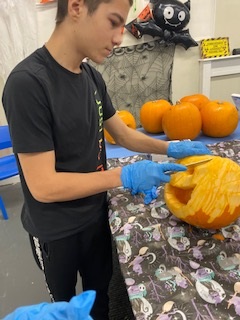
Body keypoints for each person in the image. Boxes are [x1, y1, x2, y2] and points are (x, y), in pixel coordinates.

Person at [2, 0, 211, 319]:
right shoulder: (28, 84)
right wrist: (123, 177)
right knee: (64, 306)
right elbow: (44, 186)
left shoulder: (90, 77)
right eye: (113, 22)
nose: (118, 37)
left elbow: (124, 135)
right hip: (56, 231)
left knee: (101, 298)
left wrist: (171, 147)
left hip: (96, 215)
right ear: (76, 7)